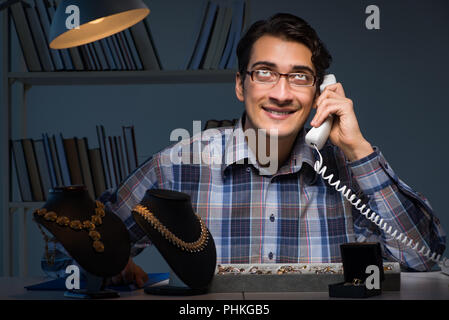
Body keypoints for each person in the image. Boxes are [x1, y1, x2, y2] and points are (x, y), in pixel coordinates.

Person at [100, 13, 446, 287]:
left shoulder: (347, 171)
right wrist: (109, 264)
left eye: (299, 77)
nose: (281, 93)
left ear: (319, 93)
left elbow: (423, 258)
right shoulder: (177, 165)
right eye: (265, 73)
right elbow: (86, 248)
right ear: (240, 85)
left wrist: (359, 150)